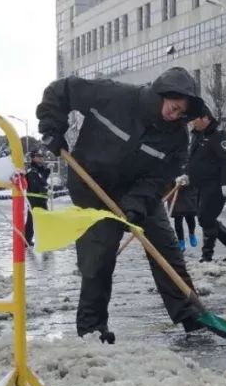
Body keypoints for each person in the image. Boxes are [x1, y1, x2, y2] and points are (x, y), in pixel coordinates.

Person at [36, 66, 207, 343]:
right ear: (162, 94)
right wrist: (52, 128)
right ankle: (92, 329)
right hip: (92, 184)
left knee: (165, 247)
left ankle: (192, 314)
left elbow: (160, 178)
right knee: (99, 255)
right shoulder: (115, 96)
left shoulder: (176, 138)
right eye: (174, 107)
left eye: (181, 112)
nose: (175, 115)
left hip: (138, 191)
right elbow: (61, 91)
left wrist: (136, 205)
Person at [187, 107, 226, 262]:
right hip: (200, 185)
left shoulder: (219, 137)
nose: (192, 123)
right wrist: (186, 175)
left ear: (205, 118)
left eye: (195, 119)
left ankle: (207, 255)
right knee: (206, 218)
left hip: (215, 185)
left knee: (206, 218)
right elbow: (193, 160)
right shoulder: (197, 136)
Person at [23, 148, 51, 247]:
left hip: (41, 198)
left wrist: (47, 171)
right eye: (38, 157)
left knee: (44, 219)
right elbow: (36, 183)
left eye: (41, 157)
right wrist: (43, 188)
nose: (40, 159)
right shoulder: (32, 170)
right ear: (33, 158)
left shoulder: (40, 169)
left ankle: (44, 239)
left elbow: (43, 179)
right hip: (34, 199)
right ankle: (27, 240)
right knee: (32, 220)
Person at [170, 173, 198, 251]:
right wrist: (174, 180)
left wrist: (187, 179)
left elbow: (196, 174)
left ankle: (192, 234)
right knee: (178, 219)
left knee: (190, 217)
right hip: (176, 194)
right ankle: (181, 241)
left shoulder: (190, 162)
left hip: (188, 194)